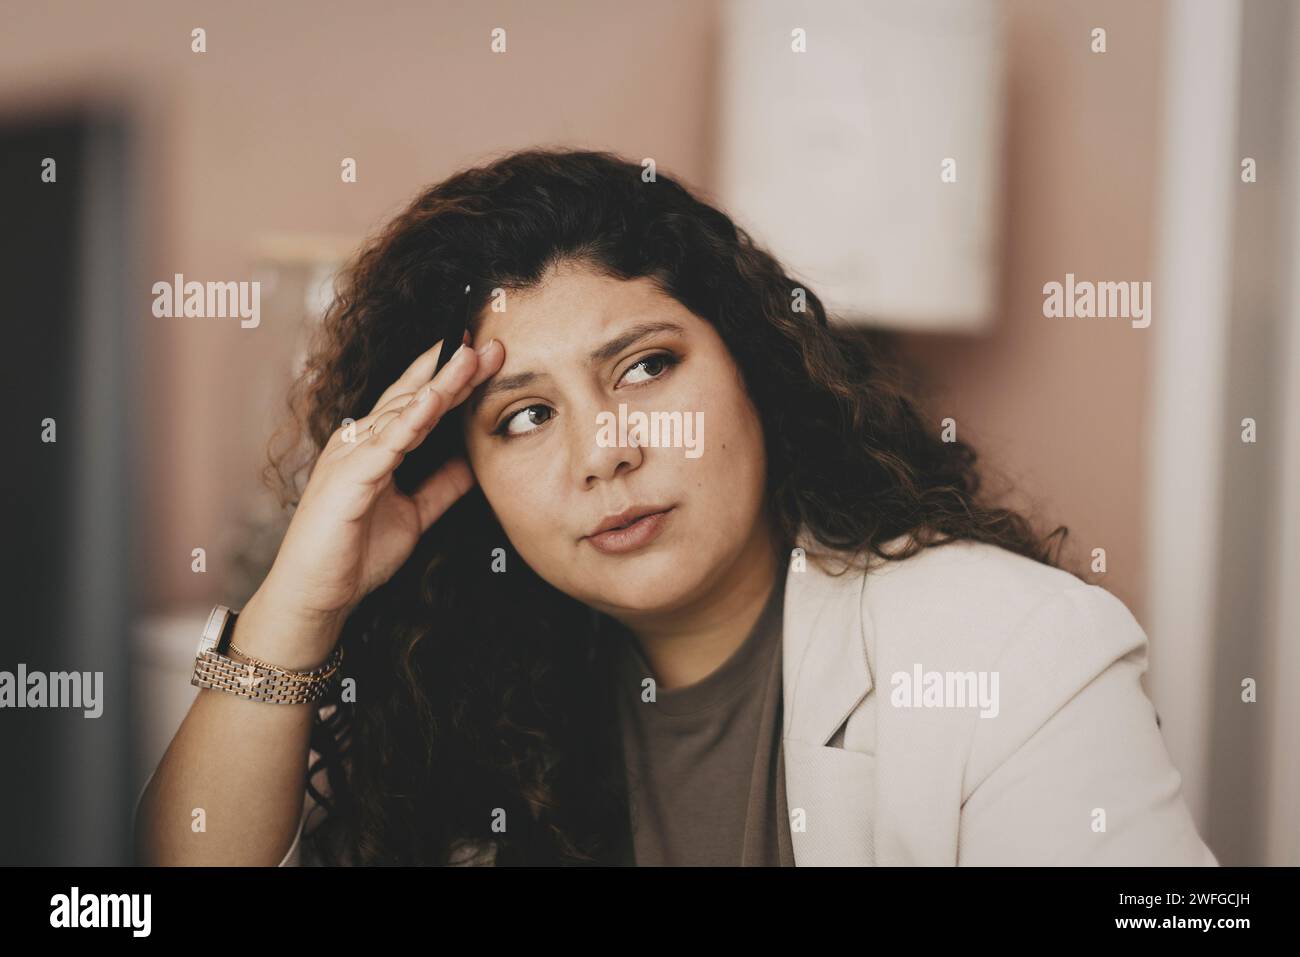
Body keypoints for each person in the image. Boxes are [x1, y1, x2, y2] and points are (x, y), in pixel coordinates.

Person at [134, 147, 1217, 867]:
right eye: (521, 418)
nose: (604, 452)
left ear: (754, 368)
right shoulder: (465, 691)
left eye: (645, 367)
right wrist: (296, 606)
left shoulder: (1014, 651)